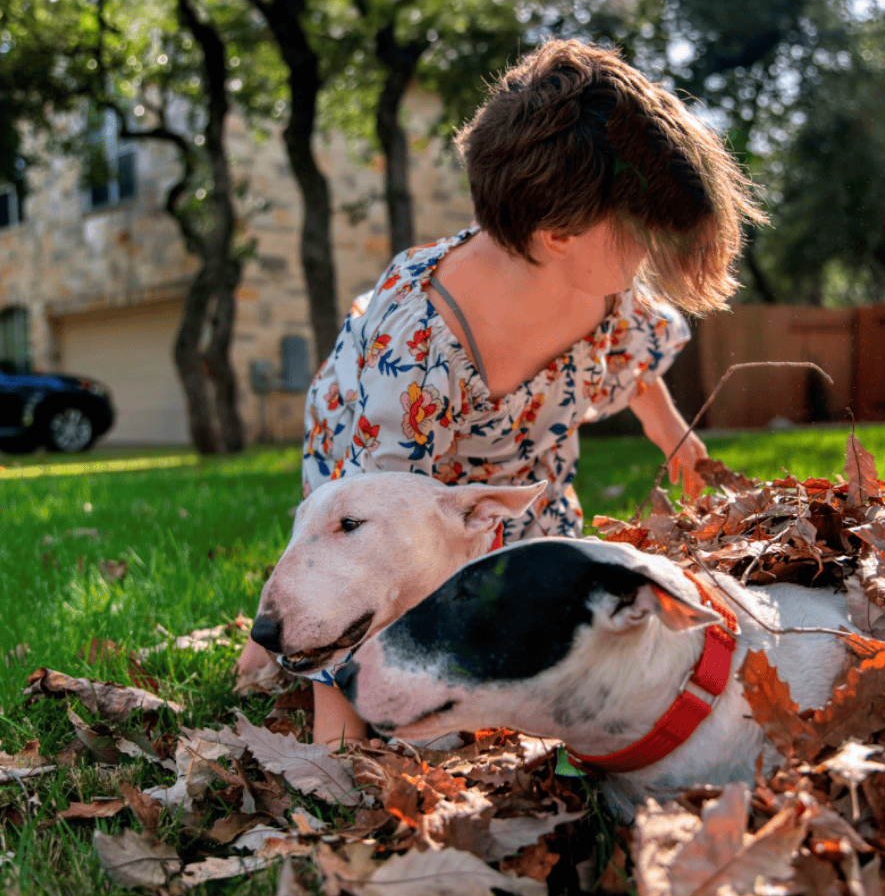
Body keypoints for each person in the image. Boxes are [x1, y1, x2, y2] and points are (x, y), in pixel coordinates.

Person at [247, 38, 764, 743]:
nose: (650, 252)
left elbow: (630, 365)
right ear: (557, 234)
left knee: (530, 615)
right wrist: (336, 736)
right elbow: (365, 543)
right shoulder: (421, 348)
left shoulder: (599, 287)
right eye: (640, 234)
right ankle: (281, 636)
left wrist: (674, 435)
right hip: (377, 469)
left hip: (523, 472)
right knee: (386, 595)